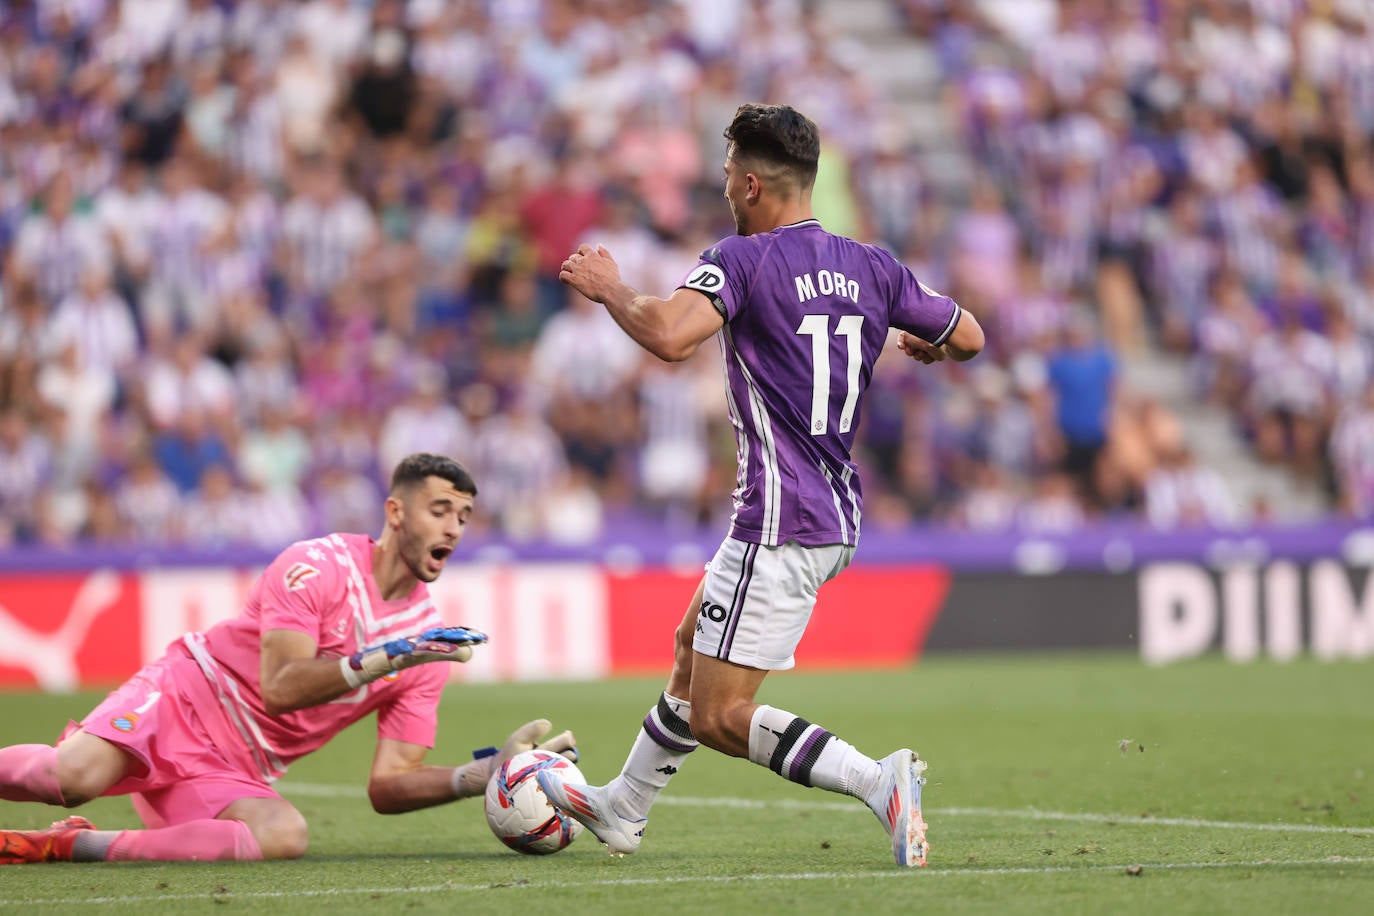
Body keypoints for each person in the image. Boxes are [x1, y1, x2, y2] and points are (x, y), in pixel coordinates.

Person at [537, 104, 984, 868]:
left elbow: (671, 336)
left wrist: (612, 288)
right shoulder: (873, 265)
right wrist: (929, 349)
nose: (722, 192)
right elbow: (969, 334)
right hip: (832, 513)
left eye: (723, 178)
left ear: (749, 183)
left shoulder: (743, 260)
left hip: (779, 519)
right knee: (690, 648)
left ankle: (879, 782)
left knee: (719, 715)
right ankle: (624, 806)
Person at [0, 452, 576, 863]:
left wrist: (481, 775)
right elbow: (278, 687)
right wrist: (383, 658)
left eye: (464, 516)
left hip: (232, 770)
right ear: (396, 513)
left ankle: (66, 844)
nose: (454, 527)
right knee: (72, 775)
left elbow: (388, 784)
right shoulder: (317, 567)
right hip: (184, 697)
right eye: (440, 510)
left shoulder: (429, 642)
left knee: (283, 835)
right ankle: (67, 808)